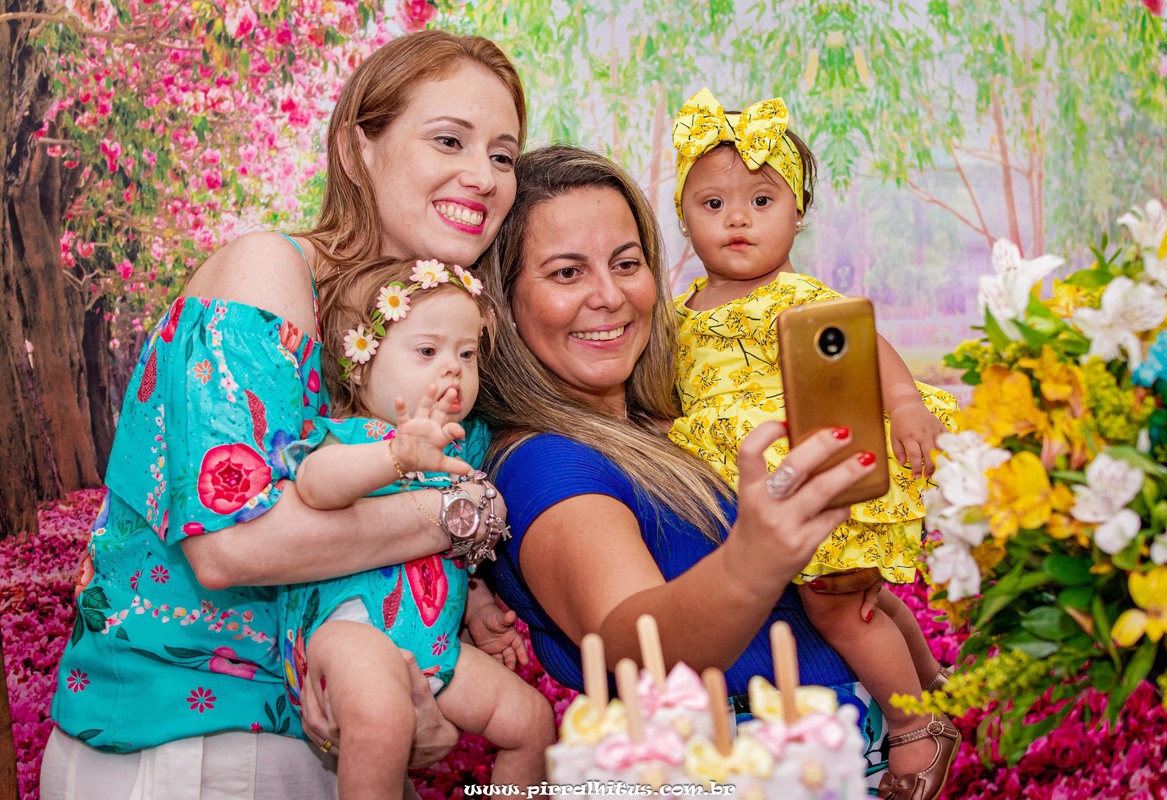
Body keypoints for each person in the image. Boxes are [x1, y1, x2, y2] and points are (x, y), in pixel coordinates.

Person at [42, 29, 526, 799]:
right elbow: (232, 546)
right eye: (449, 139)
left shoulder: (430, 344)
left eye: (503, 154)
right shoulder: (270, 272)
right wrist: (462, 512)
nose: (484, 176)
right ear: (355, 145)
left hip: (312, 745)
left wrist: (412, 699)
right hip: (187, 751)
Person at [476, 145, 913, 783]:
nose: (609, 296)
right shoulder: (547, 462)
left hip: (839, 750)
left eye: (627, 264)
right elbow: (630, 647)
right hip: (730, 768)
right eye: (567, 274)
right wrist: (756, 558)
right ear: (504, 304)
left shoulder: (678, 419)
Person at [667, 88, 959, 799]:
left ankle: (914, 731)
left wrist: (906, 403)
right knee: (865, 598)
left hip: (818, 468)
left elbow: (865, 348)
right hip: (758, 492)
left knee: (836, 603)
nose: (737, 218)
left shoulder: (798, 295)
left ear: (798, 214)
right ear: (683, 217)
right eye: (713, 204)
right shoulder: (677, 316)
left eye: (762, 202)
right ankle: (931, 689)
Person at [280, 256, 553, 798]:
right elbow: (315, 485)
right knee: (382, 717)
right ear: (361, 364)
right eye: (427, 351)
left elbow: (460, 542)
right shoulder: (349, 435)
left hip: (434, 647)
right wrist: (395, 457)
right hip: (349, 632)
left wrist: (476, 605)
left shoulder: (467, 443)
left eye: (467, 354)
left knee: (532, 722)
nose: (452, 369)